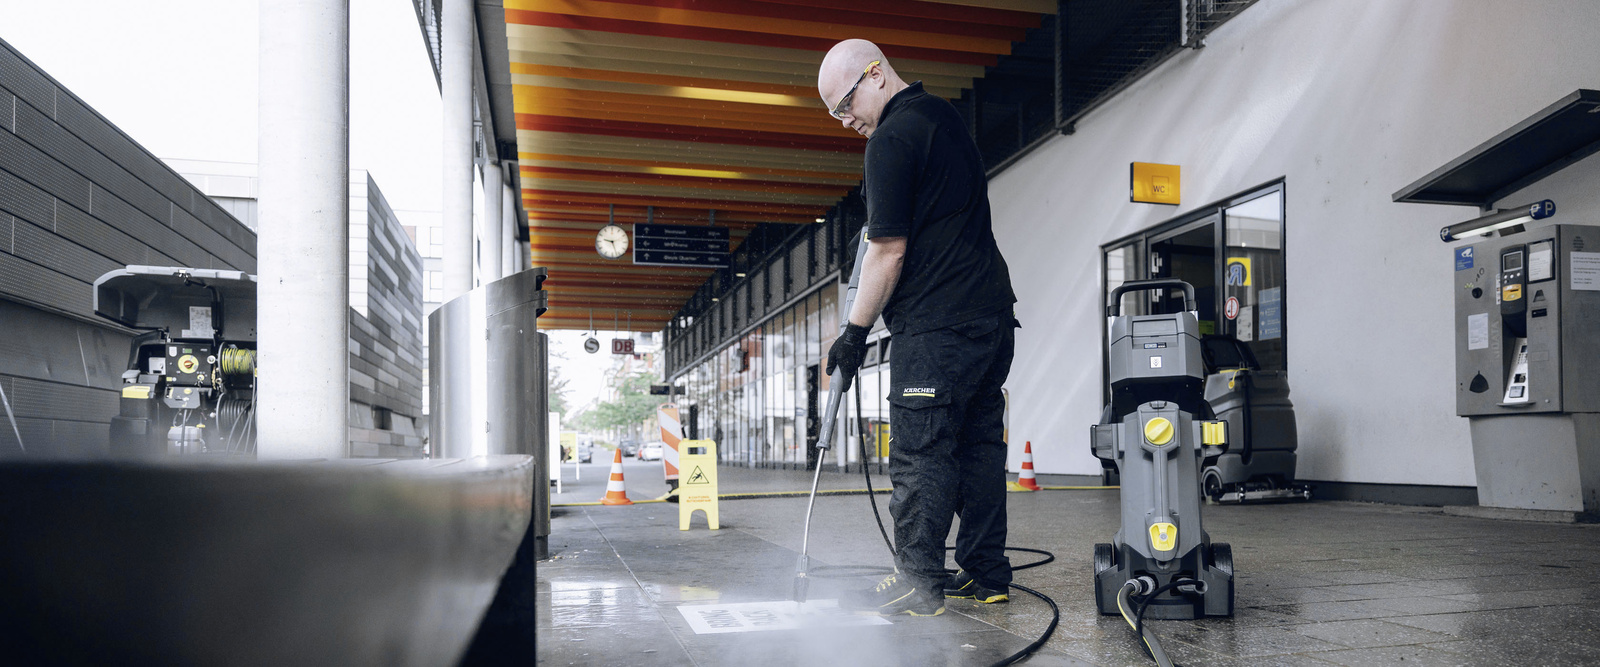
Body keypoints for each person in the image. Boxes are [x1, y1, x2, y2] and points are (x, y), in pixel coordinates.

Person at [817, 39, 1018, 617]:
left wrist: (854, 334)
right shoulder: (942, 118)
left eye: (845, 103)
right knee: (979, 447)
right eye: (835, 112)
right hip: (991, 319)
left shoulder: (891, 138)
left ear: (876, 74)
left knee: (920, 450)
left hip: (938, 327)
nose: (845, 119)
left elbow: (887, 252)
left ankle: (919, 582)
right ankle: (986, 573)